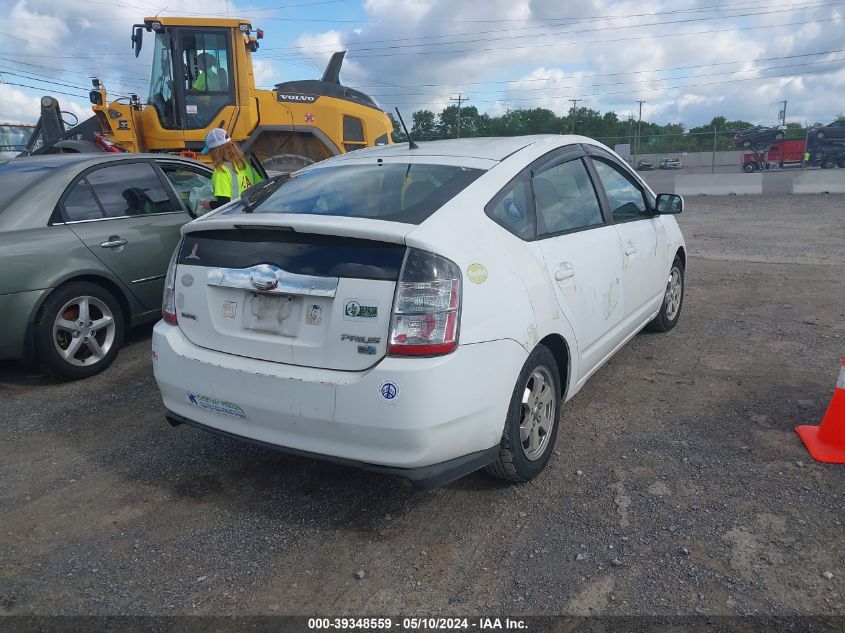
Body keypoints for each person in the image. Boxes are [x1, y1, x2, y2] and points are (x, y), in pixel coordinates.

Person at [201, 128, 264, 210]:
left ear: (215, 151)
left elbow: (224, 204)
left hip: (233, 216)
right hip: (249, 213)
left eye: (210, 151)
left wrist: (208, 204)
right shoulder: (245, 165)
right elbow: (262, 187)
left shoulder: (221, 171)